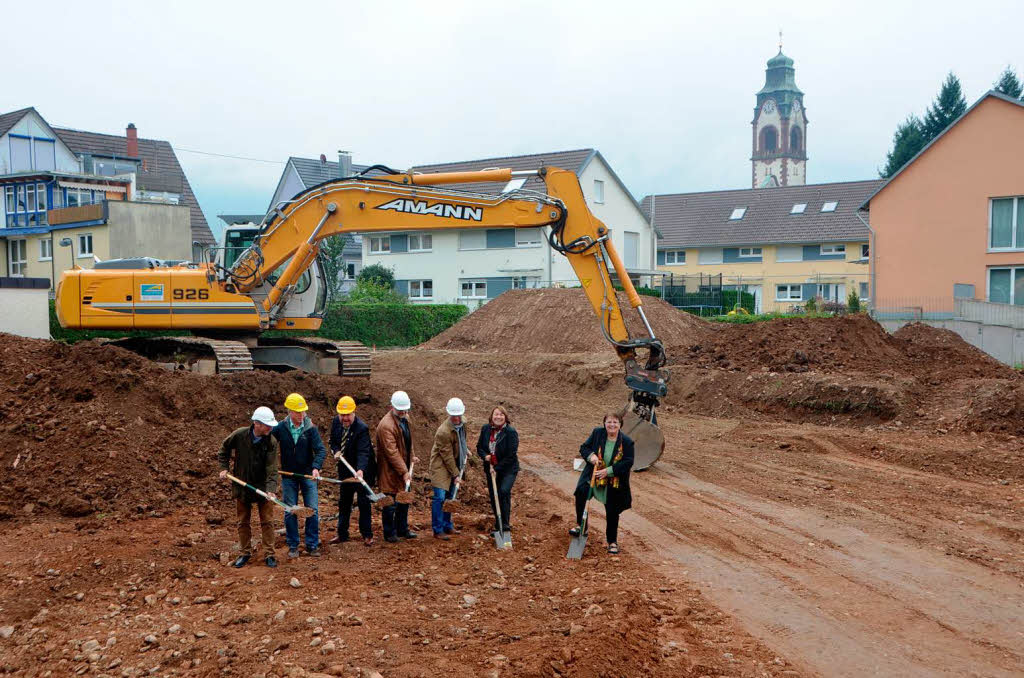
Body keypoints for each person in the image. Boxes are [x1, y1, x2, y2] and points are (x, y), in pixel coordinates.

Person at [218, 406, 281, 569]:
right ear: (256, 424)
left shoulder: (271, 441)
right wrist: (224, 468)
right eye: (268, 425)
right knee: (242, 521)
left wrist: (271, 489)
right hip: (242, 484)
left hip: (262, 486)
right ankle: (244, 553)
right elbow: (223, 450)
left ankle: (270, 554)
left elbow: (272, 469)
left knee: (267, 521)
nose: (271, 427)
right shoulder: (240, 435)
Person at [570, 412, 634, 554]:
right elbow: (584, 447)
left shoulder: (627, 442)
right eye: (609, 422)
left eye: (615, 422)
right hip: (593, 475)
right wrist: (591, 456)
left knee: (612, 510)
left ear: (620, 425)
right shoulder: (597, 433)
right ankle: (582, 526)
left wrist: (608, 471)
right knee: (581, 493)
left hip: (613, 480)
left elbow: (628, 462)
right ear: (604, 424)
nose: (612, 425)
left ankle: (612, 541)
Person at [273, 393, 327, 558]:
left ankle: (312, 544)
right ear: (289, 411)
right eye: (297, 412)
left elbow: (320, 450)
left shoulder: (310, 428)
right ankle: (293, 545)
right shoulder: (280, 428)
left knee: (312, 509)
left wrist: (316, 468)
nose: (301, 416)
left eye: (303, 412)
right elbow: (268, 448)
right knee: (290, 510)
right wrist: (270, 466)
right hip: (288, 476)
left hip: (307, 475)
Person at [328, 395, 376, 547]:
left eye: (348, 415)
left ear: (354, 413)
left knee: (363, 502)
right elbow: (333, 441)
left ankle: (367, 535)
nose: (345, 418)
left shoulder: (362, 429)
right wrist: (335, 450)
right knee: (344, 501)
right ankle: (342, 534)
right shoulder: (336, 422)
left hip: (364, 469)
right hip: (345, 468)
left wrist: (360, 470)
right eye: (342, 415)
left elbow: (364, 452)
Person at [375, 390, 418, 543]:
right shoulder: (386, 426)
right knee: (390, 502)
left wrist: (412, 456)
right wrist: (404, 471)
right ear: (392, 407)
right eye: (401, 410)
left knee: (403, 500)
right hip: (389, 471)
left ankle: (402, 529)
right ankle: (389, 533)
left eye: (405, 409)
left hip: (402, 468)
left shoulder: (405, 418)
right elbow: (391, 452)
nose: (404, 412)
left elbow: (408, 441)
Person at [428, 397, 469, 540]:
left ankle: (447, 525)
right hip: (441, 466)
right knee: (440, 497)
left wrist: (465, 450)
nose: (457, 418)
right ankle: (437, 529)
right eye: (454, 416)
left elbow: (462, 439)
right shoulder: (443, 432)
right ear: (449, 414)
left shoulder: (463, 423)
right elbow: (447, 456)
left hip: (454, 462)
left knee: (450, 497)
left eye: (458, 415)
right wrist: (456, 474)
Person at [476, 405, 519, 535]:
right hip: (490, 469)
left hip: (508, 469)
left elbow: (511, 455)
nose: (498, 417)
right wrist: (485, 456)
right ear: (492, 416)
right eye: (496, 414)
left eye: (501, 414)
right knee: (494, 496)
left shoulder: (510, 432)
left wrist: (497, 468)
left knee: (503, 491)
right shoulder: (486, 429)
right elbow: (479, 447)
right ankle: (498, 523)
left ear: (505, 417)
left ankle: (505, 525)